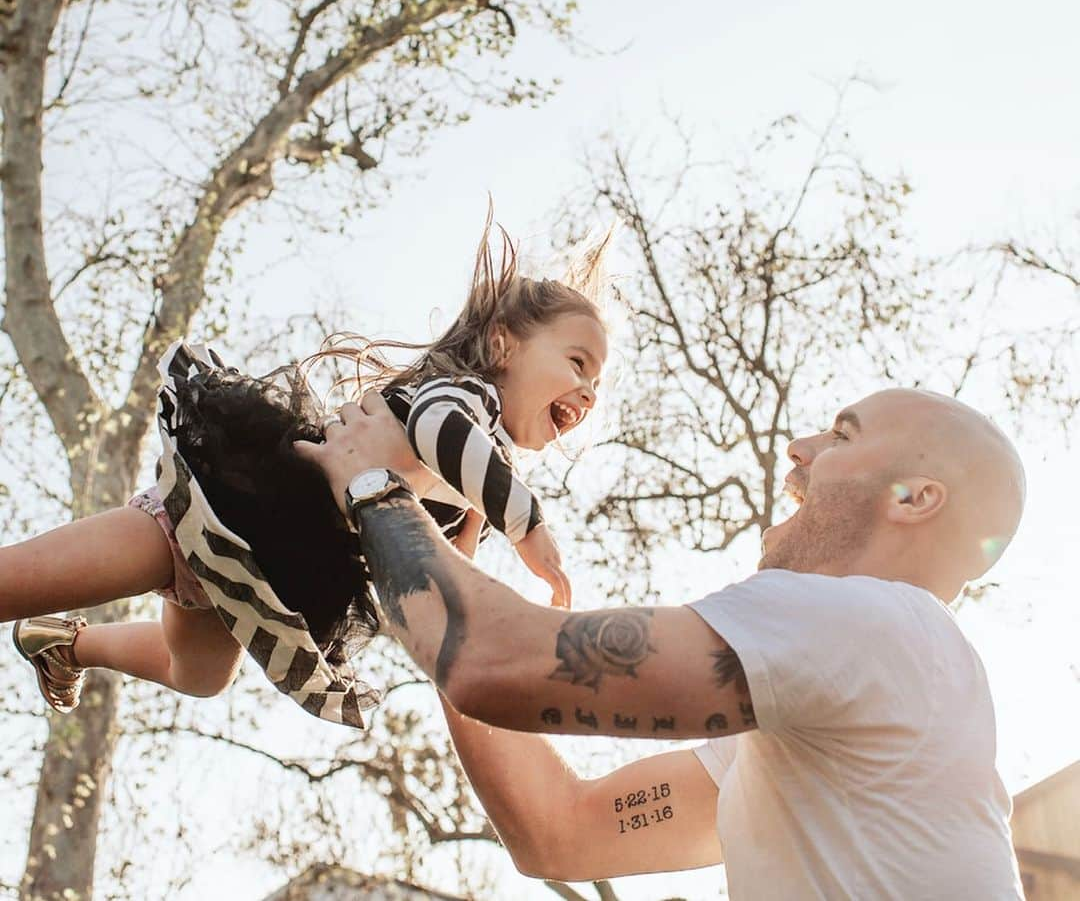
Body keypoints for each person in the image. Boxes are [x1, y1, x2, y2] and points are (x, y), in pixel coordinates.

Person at [296, 385, 1027, 898]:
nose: (800, 449)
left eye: (841, 435)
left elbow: (493, 659)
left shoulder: (873, 624)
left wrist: (372, 485)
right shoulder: (833, 714)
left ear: (915, 498)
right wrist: (431, 560)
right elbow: (560, 829)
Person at [5, 214, 609, 728]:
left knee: (197, 676)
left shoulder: (476, 480)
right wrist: (528, 526)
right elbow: (439, 430)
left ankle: (64, 641)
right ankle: (44, 617)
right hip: (232, 514)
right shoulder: (466, 399)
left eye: (597, 385)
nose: (587, 392)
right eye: (577, 363)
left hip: (260, 582)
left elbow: (420, 571)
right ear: (503, 347)